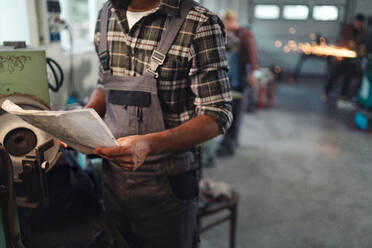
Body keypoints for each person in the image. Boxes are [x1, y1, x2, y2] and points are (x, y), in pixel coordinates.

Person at [82, 0, 232, 247]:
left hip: (167, 186)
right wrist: (82, 120)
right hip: (113, 181)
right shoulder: (106, 14)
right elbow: (105, 84)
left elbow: (217, 114)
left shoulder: (200, 23)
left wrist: (149, 145)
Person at [217, 9, 259, 157]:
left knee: (235, 115)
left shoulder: (245, 34)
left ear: (230, 21)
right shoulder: (232, 35)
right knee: (229, 113)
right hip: (231, 81)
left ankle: (230, 145)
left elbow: (253, 56)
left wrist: (253, 74)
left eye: (225, 23)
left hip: (241, 82)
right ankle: (229, 142)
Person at [323, 14, 366, 101]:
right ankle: (326, 92)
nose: (359, 25)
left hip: (351, 58)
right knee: (334, 74)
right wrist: (349, 43)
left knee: (348, 76)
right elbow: (342, 39)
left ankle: (343, 94)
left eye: (360, 23)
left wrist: (361, 47)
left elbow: (362, 42)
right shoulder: (347, 29)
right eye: (358, 23)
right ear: (355, 22)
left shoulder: (362, 31)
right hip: (341, 56)